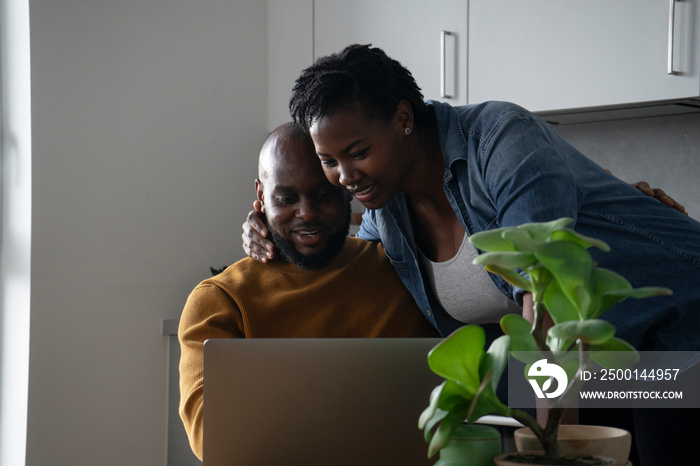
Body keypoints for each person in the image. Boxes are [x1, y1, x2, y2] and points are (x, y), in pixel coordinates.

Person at [242, 44, 700, 464]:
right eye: (329, 160)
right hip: (602, 366)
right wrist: (269, 224)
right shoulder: (386, 209)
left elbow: (543, 295)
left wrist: (547, 451)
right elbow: (345, 266)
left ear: (403, 118)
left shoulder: (500, 138)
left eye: (357, 152)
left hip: (679, 334)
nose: (345, 176)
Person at [178, 122, 438, 461]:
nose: (307, 213)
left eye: (323, 194)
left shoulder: (402, 267)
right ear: (261, 196)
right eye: (286, 198)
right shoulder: (218, 300)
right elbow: (212, 437)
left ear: (346, 189)